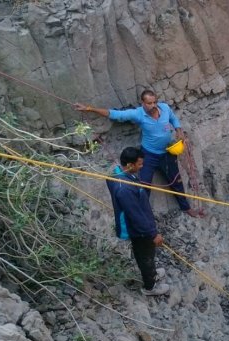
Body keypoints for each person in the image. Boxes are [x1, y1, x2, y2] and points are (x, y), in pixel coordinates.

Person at [74, 90, 204, 217]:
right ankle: (142, 214)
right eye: (149, 103)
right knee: (144, 186)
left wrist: (179, 130)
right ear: (142, 102)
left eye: (154, 102)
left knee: (176, 181)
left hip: (167, 153)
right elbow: (115, 114)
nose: (153, 106)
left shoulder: (164, 108)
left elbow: (174, 119)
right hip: (149, 155)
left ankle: (186, 208)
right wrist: (89, 108)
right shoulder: (138, 114)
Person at [107, 147, 170, 296]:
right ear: (129, 165)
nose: (142, 167)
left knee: (147, 253)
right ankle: (150, 286)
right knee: (145, 255)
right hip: (137, 229)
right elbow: (135, 216)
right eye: (139, 164)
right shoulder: (125, 189)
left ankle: (152, 272)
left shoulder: (119, 173)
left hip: (139, 220)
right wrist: (153, 234)